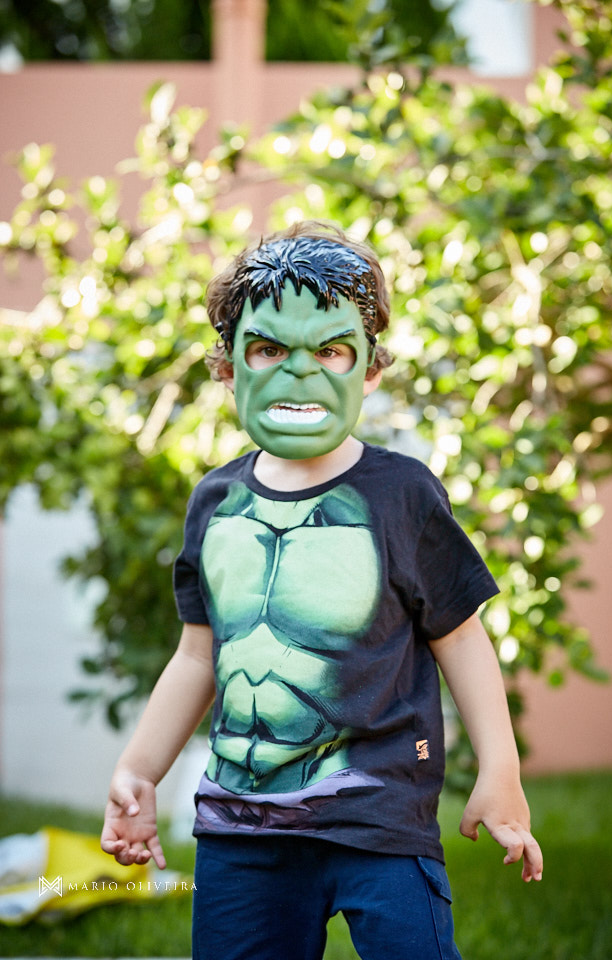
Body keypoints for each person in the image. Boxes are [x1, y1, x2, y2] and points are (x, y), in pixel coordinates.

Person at [101, 220, 543, 960]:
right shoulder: (215, 503)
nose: (299, 372)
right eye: (270, 349)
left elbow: (462, 637)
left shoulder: (402, 494)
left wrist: (501, 770)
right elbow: (197, 656)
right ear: (229, 366)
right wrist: (138, 769)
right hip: (242, 828)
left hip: (379, 820)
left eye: (330, 350)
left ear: (369, 368)